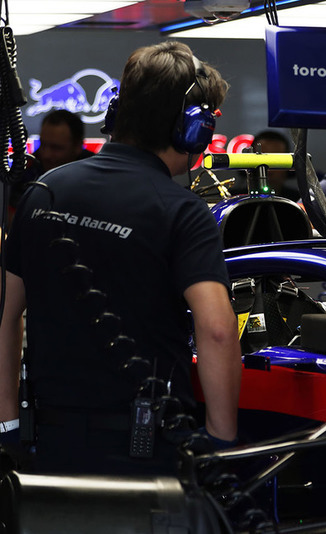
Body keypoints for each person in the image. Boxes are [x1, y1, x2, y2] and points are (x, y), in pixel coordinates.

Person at [0, 41, 241, 475]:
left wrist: (7, 422)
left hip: (48, 445)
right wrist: (219, 444)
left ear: (117, 114)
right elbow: (219, 331)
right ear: (193, 129)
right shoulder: (184, 212)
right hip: (147, 449)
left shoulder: (44, 192)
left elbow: (3, 313)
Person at [250, 129, 299, 201]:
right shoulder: (233, 203)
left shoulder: (299, 201)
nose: (269, 170)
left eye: (276, 162)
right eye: (262, 161)